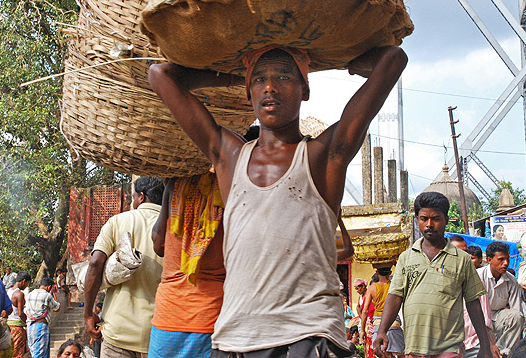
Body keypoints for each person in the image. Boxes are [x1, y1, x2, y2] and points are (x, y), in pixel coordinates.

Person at [150, 43, 407, 358]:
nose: (269, 87)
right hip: (235, 339)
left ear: (304, 90)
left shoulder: (323, 155)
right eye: (258, 80)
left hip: (308, 336)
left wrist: (331, 61)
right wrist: (235, 75)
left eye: (284, 76)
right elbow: (160, 74)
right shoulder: (228, 155)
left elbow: (393, 59)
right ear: (249, 93)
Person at [373, 192, 492, 358]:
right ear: (417, 220)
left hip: (449, 347)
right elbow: (395, 297)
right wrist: (382, 331)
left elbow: (473, 302)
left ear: (446, 219)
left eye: (435, 218)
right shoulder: (406, 258)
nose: (429, 224)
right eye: (423, 219)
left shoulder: (462, 260)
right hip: (414, 347)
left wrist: (485, 346)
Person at [83, 176, 164, 358]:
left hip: (118, 333)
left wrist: (88, 313)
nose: (132, 201)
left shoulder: (117, 221)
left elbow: (95, 263)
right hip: (159, 333)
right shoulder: (175, 226)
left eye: (133, 197)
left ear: (141, 197)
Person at [148, 172, 227, 358]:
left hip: (169, 314)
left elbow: (159, 245)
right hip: (211, 315)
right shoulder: (226, 187)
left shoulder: (175, 186)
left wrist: (168, 187)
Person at [448, 236, 500, 358]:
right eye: (457, 252)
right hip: (448, 344)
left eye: (465, 252)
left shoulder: (475, 279)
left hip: (473, 343)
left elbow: (485, 316)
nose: (462, 257)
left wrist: (488, 344)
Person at [476, 242, 524, 357]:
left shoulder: (511, 280)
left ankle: (502, 352)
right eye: (501, 259)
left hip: (497, 318)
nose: (506, 263)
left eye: (507, 259)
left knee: (517, 316)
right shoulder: (478, 276)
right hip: (477, 319)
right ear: (489, 260)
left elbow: (516, 309)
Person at [360, 267, 403, 357]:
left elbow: (365, 311)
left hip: (378, 325)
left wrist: (363, 330)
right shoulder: (393, 286)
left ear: (377, 272)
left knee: (382, 353)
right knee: (400, 353)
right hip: (394, 322)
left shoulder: (372, 288)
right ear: (390, 272)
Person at [25, 277, 61, 358]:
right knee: (41, 353)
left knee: (34, 351)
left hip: (30, 326)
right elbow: (57, 308)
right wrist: (54, 294)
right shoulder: (47, 296)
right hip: (41, 326)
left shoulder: (30, 294)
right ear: (49, 287)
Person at [6, 272, 31, 358]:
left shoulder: (8, 291)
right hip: (17, 327)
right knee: (18, 353)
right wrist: (27, 322)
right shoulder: (19, 294)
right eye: (27, 283)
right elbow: (20, 313)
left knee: (11, 352)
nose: (26, 286)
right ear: (23, 281)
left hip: (8, 325)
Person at [353, 279, 375, 358]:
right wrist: (362, 317)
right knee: (365, 344)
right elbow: (358, 307)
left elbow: (367, 310)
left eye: (358, 288)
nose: (357, 291)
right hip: (364, 322)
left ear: (363, 286)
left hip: (370, 321)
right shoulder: (361, 297)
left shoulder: (369, 295)